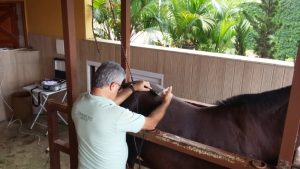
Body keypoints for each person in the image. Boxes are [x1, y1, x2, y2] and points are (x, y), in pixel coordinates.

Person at [71, 61, 173, 169]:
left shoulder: (80, 102)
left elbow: (106, 107)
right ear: (113, 85)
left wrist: (133, 88)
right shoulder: (116, 115)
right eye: (119, 87)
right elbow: (151, 123)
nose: (118, 90)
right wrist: (166, 101)